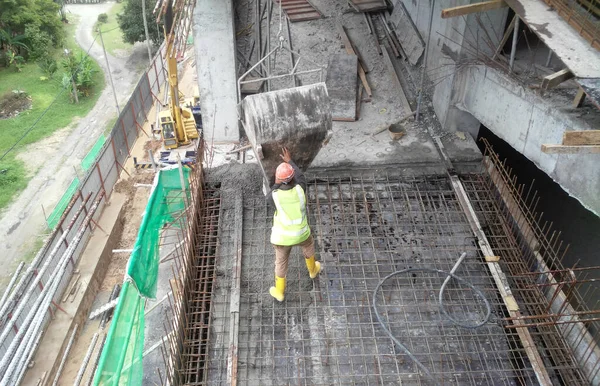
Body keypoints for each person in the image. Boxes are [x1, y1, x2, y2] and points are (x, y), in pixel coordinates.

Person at [266, 147, 321, 302]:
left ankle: (279, 292)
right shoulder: (300, 188)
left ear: (278, 180)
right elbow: (300, 176)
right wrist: (289, 160)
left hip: (282, 239)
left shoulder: (274, 196)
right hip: (302, 234)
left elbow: (272, 191)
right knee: (308, 247)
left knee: (281, 262)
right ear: (293, 179)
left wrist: (277, 182)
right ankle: (313, 270)